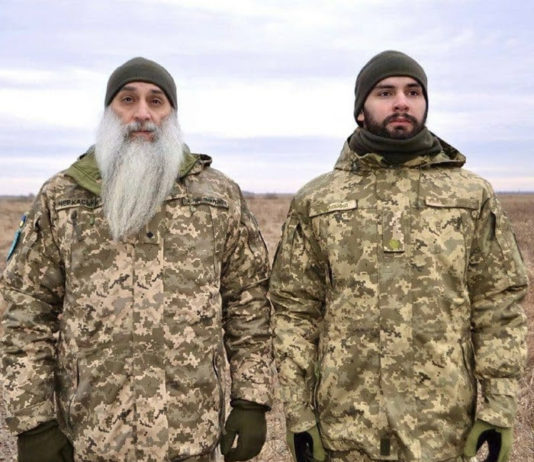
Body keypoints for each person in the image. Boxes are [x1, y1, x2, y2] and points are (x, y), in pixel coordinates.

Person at [1, 57, 273, 462]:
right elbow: (26, 310)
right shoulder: (63, 198)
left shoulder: (218, 198)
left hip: (191, 436)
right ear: (109, 112)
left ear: (172, 114)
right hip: (91, 437)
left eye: (156, 101)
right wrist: (34, 424)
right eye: (128, 100)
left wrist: (251, 400)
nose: (142, 113)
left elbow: (248, 302)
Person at [269, 50, 528, 462]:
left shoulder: (471, 195)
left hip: (442, 431)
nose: (402, 102)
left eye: (413, 92)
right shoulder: (318, 199)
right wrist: (299, 412)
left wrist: (498, 407)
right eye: (385, 92)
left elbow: (498, 304)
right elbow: (294, 311)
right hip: (345, 431)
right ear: (360, 110)